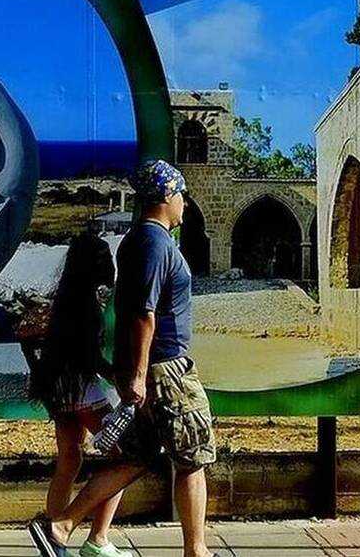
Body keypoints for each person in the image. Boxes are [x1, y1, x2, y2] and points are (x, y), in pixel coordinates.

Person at [28, 159, 216, 557]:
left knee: (135, 457)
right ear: (167, 195)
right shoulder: (155, 243)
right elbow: (144, 314)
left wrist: (130, 371)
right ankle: (196, 550)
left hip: (153, 368)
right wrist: (138, 374)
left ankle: (61, 527)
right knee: (193, 457)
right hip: (168, 370)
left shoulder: (138, 241)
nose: (184, 203)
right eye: (181, 194)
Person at [23, 229, 130, 557]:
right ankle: (98, 538)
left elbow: (33, 342)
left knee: (69, 460)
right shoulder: (88, 306)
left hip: (58, 391)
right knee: (124, 458)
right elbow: (90, 359)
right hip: (83, 392)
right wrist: (118, 377)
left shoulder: (62, 301)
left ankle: (54, 538)